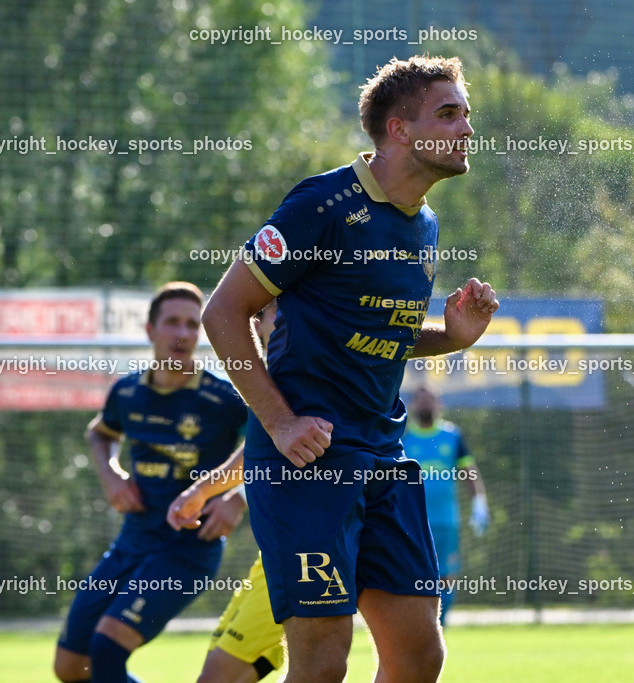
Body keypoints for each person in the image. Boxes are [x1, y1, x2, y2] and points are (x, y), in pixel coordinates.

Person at [202, 55, 499, 683]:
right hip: (307, 462)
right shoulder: (322, 204)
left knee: (419, 655)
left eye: (466, 114)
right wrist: (280, 423)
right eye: (449, 114)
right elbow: (223, 311)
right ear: (399, 129)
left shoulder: (424, 224)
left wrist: (453, 336)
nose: (467, 128)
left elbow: (381, 334)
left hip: (384, 455)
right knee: (322, 660)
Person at [54, 282, 249, 683]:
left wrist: (238, 497)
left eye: (192, 325)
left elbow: (270, 445)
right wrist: (111, 475)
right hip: (134, 539)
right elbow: (100, 433)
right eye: (173, 322)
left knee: (106, 649)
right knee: (71, 667)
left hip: (188, 549)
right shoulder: (127, 392)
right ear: (149, 330)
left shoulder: (225, 398)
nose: (183, 333)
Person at [167, 300, 285, 683]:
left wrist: (232, 497)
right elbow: (259, 448)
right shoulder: (270, 378)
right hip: (275, 555)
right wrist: (203, 491)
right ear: (257, 324)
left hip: (305, 552)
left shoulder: (304, 374)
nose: (286, 318)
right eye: (276, 311)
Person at [402, 383, 489, 625]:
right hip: (412, 522)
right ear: (412, 405)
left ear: (438, 403)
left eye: (429, 399)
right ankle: (416, 625)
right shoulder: (403, 439)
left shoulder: (452, 436)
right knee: (412, 574)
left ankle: (441, 626)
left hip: (445, 521)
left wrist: (480, 504)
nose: (425, 404)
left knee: (446, 576)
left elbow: (469, 471)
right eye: (420, 400)